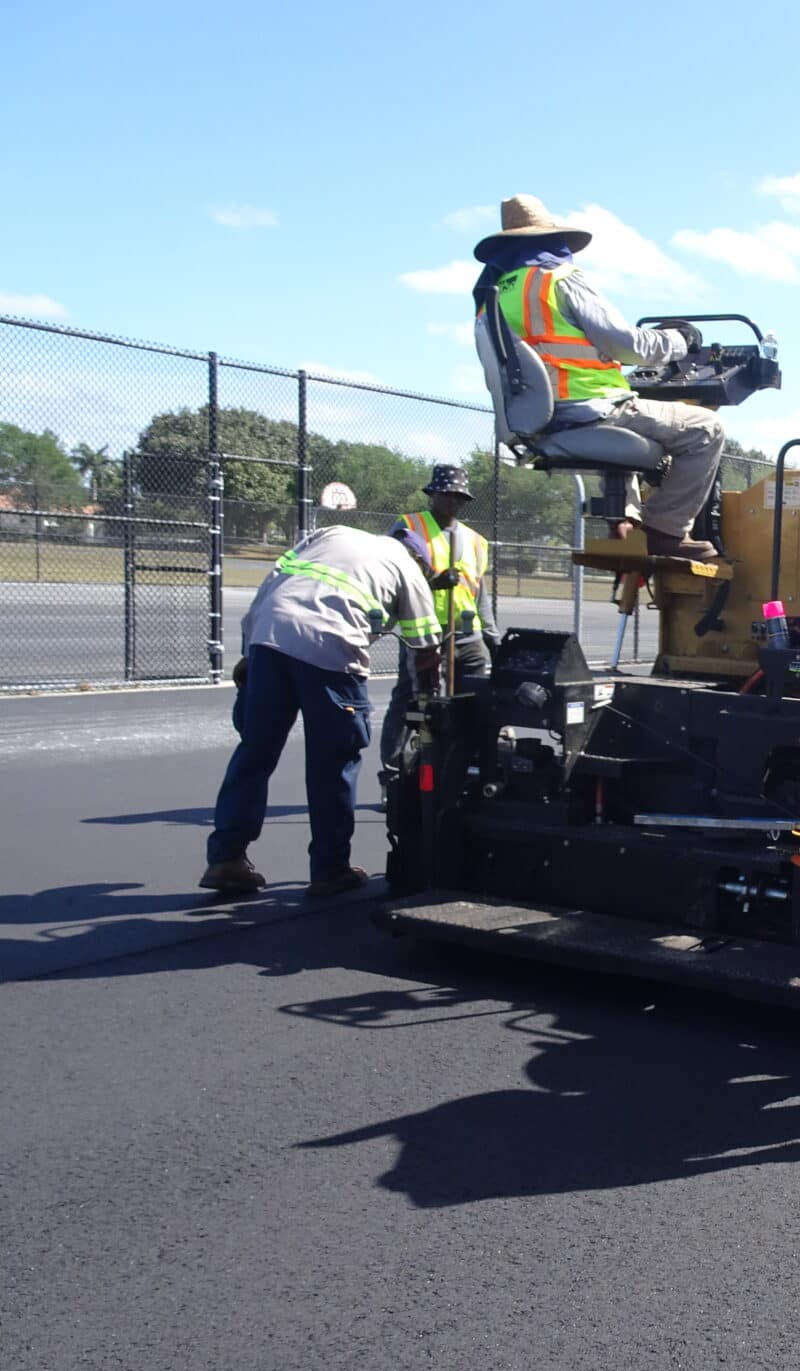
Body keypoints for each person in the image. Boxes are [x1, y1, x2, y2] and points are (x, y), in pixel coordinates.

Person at [472, 194, 726, 562]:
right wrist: (680, 342)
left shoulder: (490, 299)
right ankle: (665, 531)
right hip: (588, 408)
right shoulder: (560, 280)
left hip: (536, 422)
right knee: (706, 428)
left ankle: (624, 519)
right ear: (549, 239)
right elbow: (627, 344)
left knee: (638, 425)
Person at [201, 526, 442, 897]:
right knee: (334, 762)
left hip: (270, 636)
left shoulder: (329, 534)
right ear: (420, 560)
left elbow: (272, 582)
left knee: (254, 753)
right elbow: (425, 648)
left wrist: (250, 653)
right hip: (331, 649)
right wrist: (428, 702)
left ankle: (226, 858)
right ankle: (330, 869)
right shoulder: (408, 569)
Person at [381, 464, 497, 768]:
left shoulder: (475, 541)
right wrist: (434, 583)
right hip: (424, 634)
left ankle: (462, 764)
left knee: (473, 697)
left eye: (459, 497)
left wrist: (492, 636)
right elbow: (393, 578)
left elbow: (479, 593)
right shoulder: (408, 528)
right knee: (417, 701)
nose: (453, 501)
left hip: (466, 635)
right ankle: (396, 768)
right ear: (433, 495)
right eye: (447, 495)